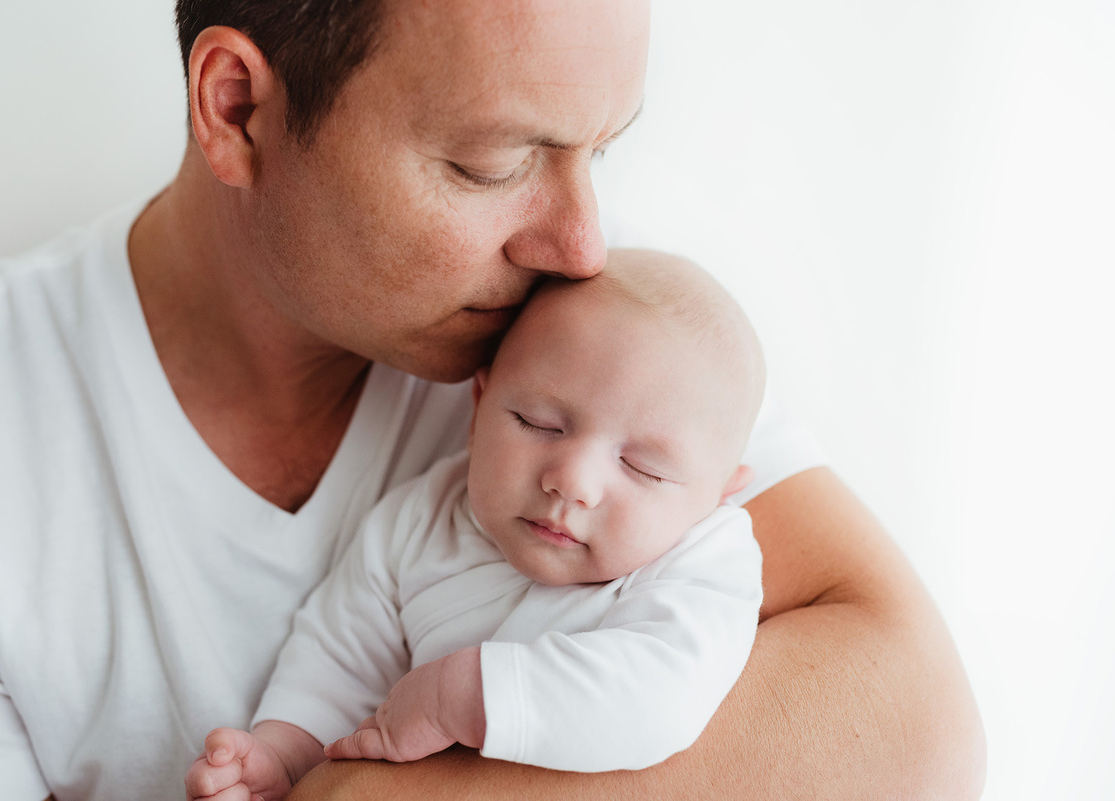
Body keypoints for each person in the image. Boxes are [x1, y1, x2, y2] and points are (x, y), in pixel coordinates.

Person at [0, 0, 985, 799]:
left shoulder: (613, 341)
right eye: (495, 164)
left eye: (601, 149)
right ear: (237, 108)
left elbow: (916, 723)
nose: (582, 244)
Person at [185, 251, 767, 800]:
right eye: (537, 422)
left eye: (642, 468)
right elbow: (339, 658)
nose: (573, 482)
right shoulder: (422, 517)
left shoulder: (704, 558)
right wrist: (286, 756)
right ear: (479, 405)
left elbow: (663, 696)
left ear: (718, 495)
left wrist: (465, 696)